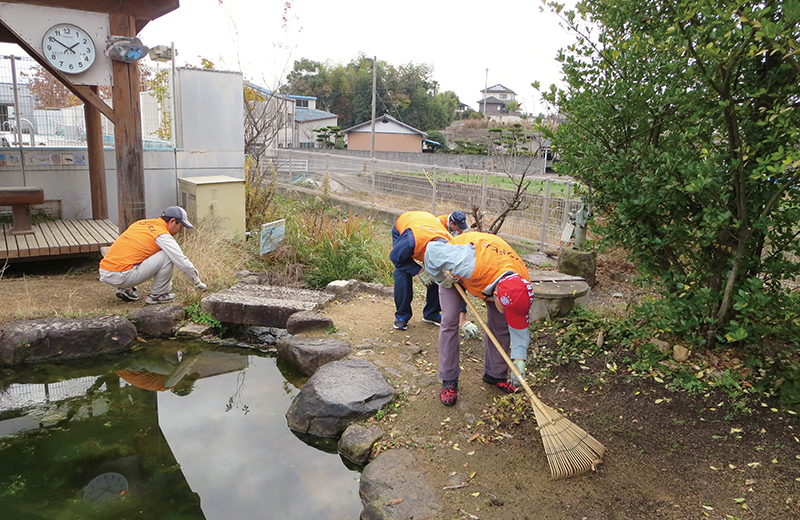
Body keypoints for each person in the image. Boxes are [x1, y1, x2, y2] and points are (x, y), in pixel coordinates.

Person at [424, 232, 535, 406]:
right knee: (450, 320)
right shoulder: (468, 262)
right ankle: (449, 378)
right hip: (454, 272)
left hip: (492, 274)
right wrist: (441, 279)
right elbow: (432, 250)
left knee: (501, 324)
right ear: (496, 295)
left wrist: (519, 359)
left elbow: (519, 325)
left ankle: (495, 374)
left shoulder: (522, 285)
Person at [99, 206, 207, 305]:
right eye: (181, 227)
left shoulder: (141, 223)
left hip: (105, 271)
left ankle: (126, 289)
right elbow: (181, 261)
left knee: (142, 250)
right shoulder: (162, 234)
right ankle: (159, 294)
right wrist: (197, 282)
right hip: (122, 276)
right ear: (172, 221)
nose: (180, 231)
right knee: (167, 255)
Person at [390, 211, 452, 330]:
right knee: (402, 272)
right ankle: (402, 316)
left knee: (438, 274)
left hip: (427, 225)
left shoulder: (451, 242)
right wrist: (420, 271)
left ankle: (431, 313)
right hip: (409, 228)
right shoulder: (410, 241)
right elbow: (395, 258)